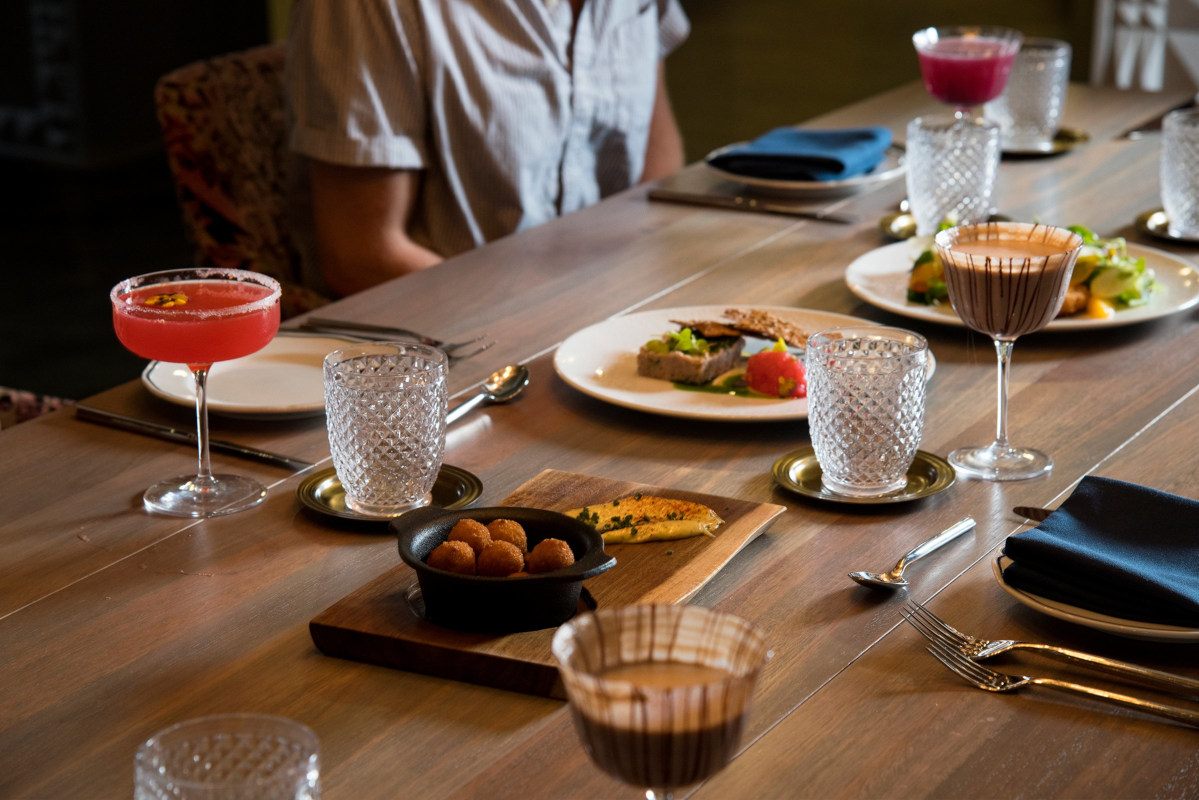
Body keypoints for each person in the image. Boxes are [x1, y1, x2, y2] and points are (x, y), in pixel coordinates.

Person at [286, 0, 690, 297]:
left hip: (608, 306)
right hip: (447, 346)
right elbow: (361, 258)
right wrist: (565, 317)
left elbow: (654, 169)